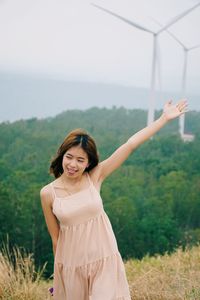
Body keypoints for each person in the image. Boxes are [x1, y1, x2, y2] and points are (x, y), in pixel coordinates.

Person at [40, 99, 187, 300]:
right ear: (62, 155)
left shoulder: (95, 177)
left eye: (80, 160)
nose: (73, 164)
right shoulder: (48, 194)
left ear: (89, 162)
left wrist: (163, 119)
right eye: (69, 157)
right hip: (72, 267)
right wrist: (60, 278)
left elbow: (130, 145)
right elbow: (56, 240)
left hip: (104, 260)